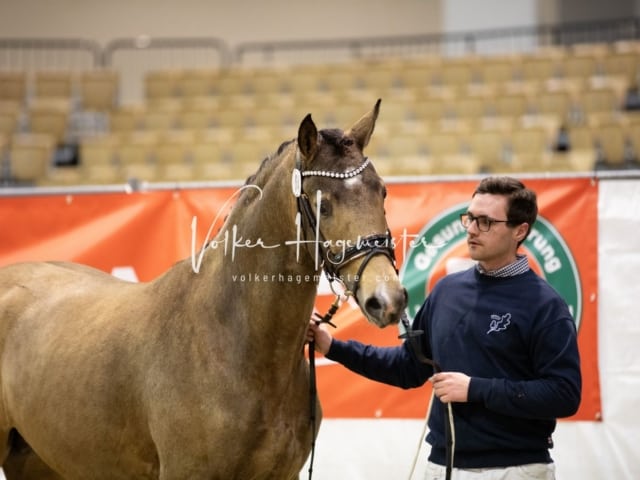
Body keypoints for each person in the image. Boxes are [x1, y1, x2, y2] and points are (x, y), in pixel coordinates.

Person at [307, 176, 582, 480]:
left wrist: (475, 389)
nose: (473, 229)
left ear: (520, 231)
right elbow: (408, 368)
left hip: (515, 470)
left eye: (486, 222)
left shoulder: (545, 305)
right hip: (442, 467)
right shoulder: (446, 290)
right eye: (471, 218)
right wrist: (332, 346)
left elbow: (564, 393)